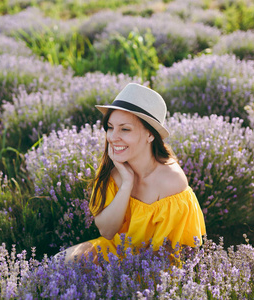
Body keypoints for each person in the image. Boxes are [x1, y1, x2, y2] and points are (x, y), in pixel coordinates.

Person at [62, 83, 206, 263]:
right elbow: (106, 231)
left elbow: (175, 252)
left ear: (150, 135)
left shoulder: (171, 181)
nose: (113, 137)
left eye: (125, 129)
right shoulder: (115, 170)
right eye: (110, 127)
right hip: (114, 250)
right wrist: (127, 184)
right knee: (57, 265)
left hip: (153, 265)